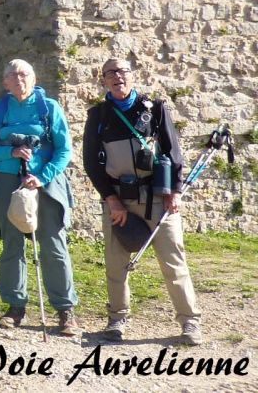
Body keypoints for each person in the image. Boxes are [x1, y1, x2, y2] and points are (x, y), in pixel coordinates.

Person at [82, 58, 202, 345]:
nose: (117, 77)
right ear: (103, 80)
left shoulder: (156, 109)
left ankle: (190, 322)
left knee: (174, 263)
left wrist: (174, 191)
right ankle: (116, 320)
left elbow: (173, 153)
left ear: (132, 76)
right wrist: (111, 199)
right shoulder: (98, 116)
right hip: (119, 202)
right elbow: (91, 163)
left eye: (122, 71)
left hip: (159, 200)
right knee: (116, 264)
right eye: (110, 72)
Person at [0, 59, 80, 337]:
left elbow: (63, 150)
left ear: (33, 79)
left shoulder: (50, 108)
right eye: (12, 75)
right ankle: (14, 306)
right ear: (5, 83)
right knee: (12, 244)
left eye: (24, 74)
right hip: (7, 182)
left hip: (44, 183)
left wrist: (42, 177)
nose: (19, 78)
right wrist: (9, 153)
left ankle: (64, 309)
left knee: (53, 243)